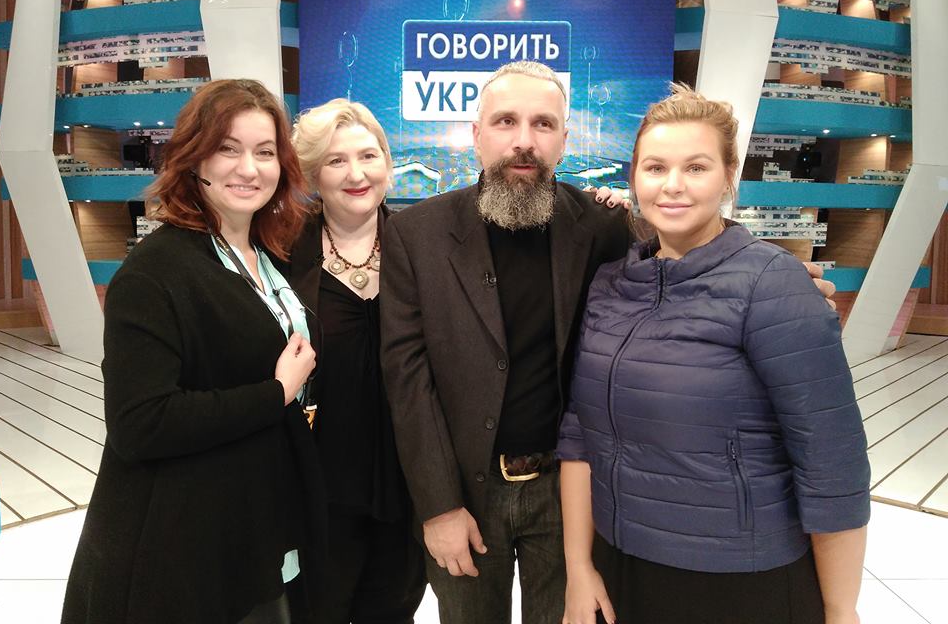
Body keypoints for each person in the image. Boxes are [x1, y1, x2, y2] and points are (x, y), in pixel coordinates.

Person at [380, 61, 838, 624]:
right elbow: (407, 382)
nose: (524, 141)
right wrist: (438, 507)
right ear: (477, 134)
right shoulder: (415, 235)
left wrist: (784, 281)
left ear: (564, 139)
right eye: (505, 121)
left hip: (572, 492)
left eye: (543, 124)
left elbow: (686, 251)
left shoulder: (602, 227)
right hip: (465, 494)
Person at [558, 83, 870, 624]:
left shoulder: (772, 284)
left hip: (739, 579)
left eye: (696, 167)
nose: (673, 185)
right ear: (634, 177)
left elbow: (831, 462)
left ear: (728, 176)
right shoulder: (611, 284)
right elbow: (579, 434)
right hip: (621, 563)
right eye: (656, 167)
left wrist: (842, 610)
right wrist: (578, 566)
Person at [62, 79, 325, 624]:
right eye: (228, 148)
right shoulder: (156, 271)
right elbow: (141, 423)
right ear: (194, 158)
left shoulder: (264, 255)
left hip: (253, 524)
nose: (249, 168)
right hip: (182, 546)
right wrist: (275, 392)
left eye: (265, 152)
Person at [284, 99, 426, 624]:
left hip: (407, 486)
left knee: (393, 611)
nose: (357, 174)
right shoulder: (279, 252)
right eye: (336, 160)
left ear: (387, 163)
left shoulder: (425, 246)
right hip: (316, 490)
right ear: (312, 174)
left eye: (368, 156)